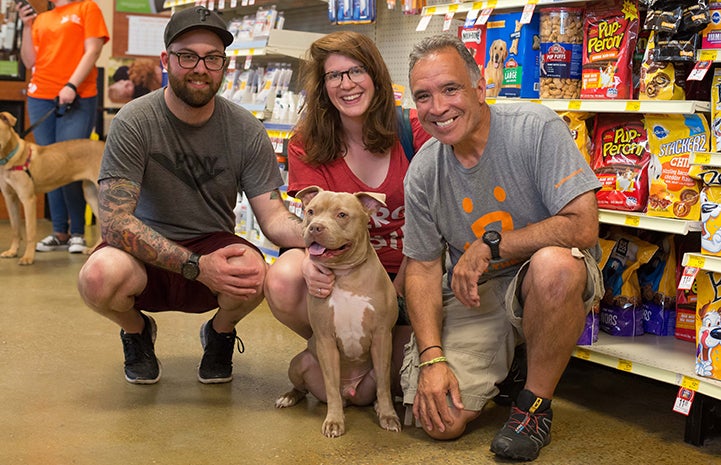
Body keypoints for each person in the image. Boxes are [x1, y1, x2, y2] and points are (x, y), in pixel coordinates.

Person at [400, 34, 604, 461]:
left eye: (450, 89)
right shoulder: (423, 171)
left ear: (480, 88)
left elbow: (583, 226)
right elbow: (420, 268)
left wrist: (490, 245)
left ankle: (533, 408)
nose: (437, 108)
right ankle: (511, 364)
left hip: (546, 279)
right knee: (443, 421)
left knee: (555, 266)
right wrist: (432, 359)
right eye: (424, 96)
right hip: (479, 294)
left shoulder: (536, 128)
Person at [76, 6, 304, 385]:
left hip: (212, 242)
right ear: (166, 60)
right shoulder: (135, 121)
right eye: (188, 56)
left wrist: (322, 234)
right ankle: (136, 332)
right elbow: (115, 224)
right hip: (143, 253)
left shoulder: (246, 129)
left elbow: (274, 218)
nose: (201, 67)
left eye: (212, 58)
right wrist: (198, 266)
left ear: (224, 67)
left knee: (253, 270)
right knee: (99, 276)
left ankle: (220, 332)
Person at [263, 31, 431, 404]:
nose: (347, 84)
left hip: (412, 267)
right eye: (334, 76)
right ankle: (333, 350)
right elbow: (313, 223)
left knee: (404, 370)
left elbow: (439, 214)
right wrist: (309, 260)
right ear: (323, 87)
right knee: (284, 277)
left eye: (356, 71)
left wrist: (403, 283)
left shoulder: (412, 129)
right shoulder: (308, 141)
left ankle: (359, 366)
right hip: (341, 271)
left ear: (376, 75)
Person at [18, 0, 109, 253]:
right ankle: (59, 232)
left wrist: (71, 85)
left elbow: (93, 50)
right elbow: (29, 62)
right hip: (40, 96)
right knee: (48, 167)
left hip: (76, 95)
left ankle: (77, 232)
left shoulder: (86, 8)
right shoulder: (43, 19)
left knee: (73, 165)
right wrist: (27, 26)